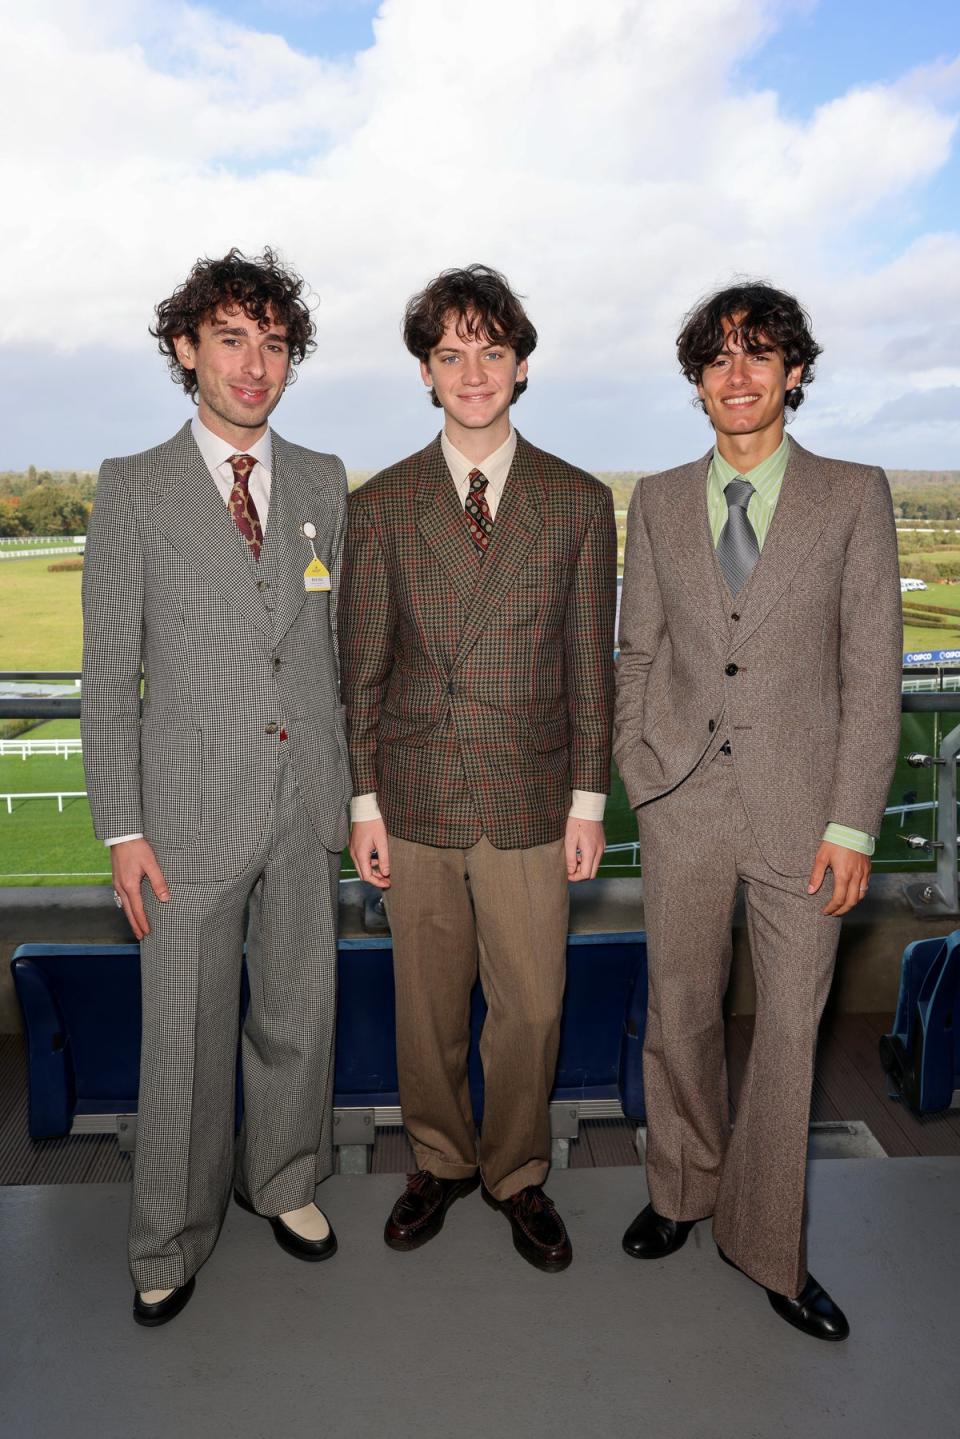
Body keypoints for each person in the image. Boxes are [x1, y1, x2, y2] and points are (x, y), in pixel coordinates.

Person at [614, 281, 902, 1340]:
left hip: (804, 818)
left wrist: (853, 823)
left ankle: (769, 1245)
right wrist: (640, 771)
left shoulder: (852, 494)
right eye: (718, 358)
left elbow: (874, 675)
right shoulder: (652, 500)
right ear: (697, 380)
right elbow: (636, 648)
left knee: (787, 1029)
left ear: (793, 372)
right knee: (680, 1009)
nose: (738, 375)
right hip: (682, 803)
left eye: (760, 354)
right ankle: (681, 1189)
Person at [81, 247, 351, 1326]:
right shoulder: (134, 485)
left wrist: (353, 797)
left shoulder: (325, 479)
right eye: (231, 339)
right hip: (184, 816)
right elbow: (105, 678)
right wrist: (122, 828)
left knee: (298, 1006)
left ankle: (284, 1179)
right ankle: (167, 1234)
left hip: (304, 801)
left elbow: (332, 650)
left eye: (274, 343)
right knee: (183, 1033)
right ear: (186, 349)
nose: (254, 364)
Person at [339, 264, 616, 1271]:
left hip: (532, 795)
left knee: (534, 1004)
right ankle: (441, 1159)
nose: (472, 370)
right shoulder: (381, 506)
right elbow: (358, 672)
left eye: (490, 351)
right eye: (450, 353)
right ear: (425, 371)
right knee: (427, 1006)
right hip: (414, 797)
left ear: (522, 364)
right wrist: (363, 802)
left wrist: (589, 799)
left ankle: (517, 1171)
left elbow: (593, 664)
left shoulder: (578, 502)